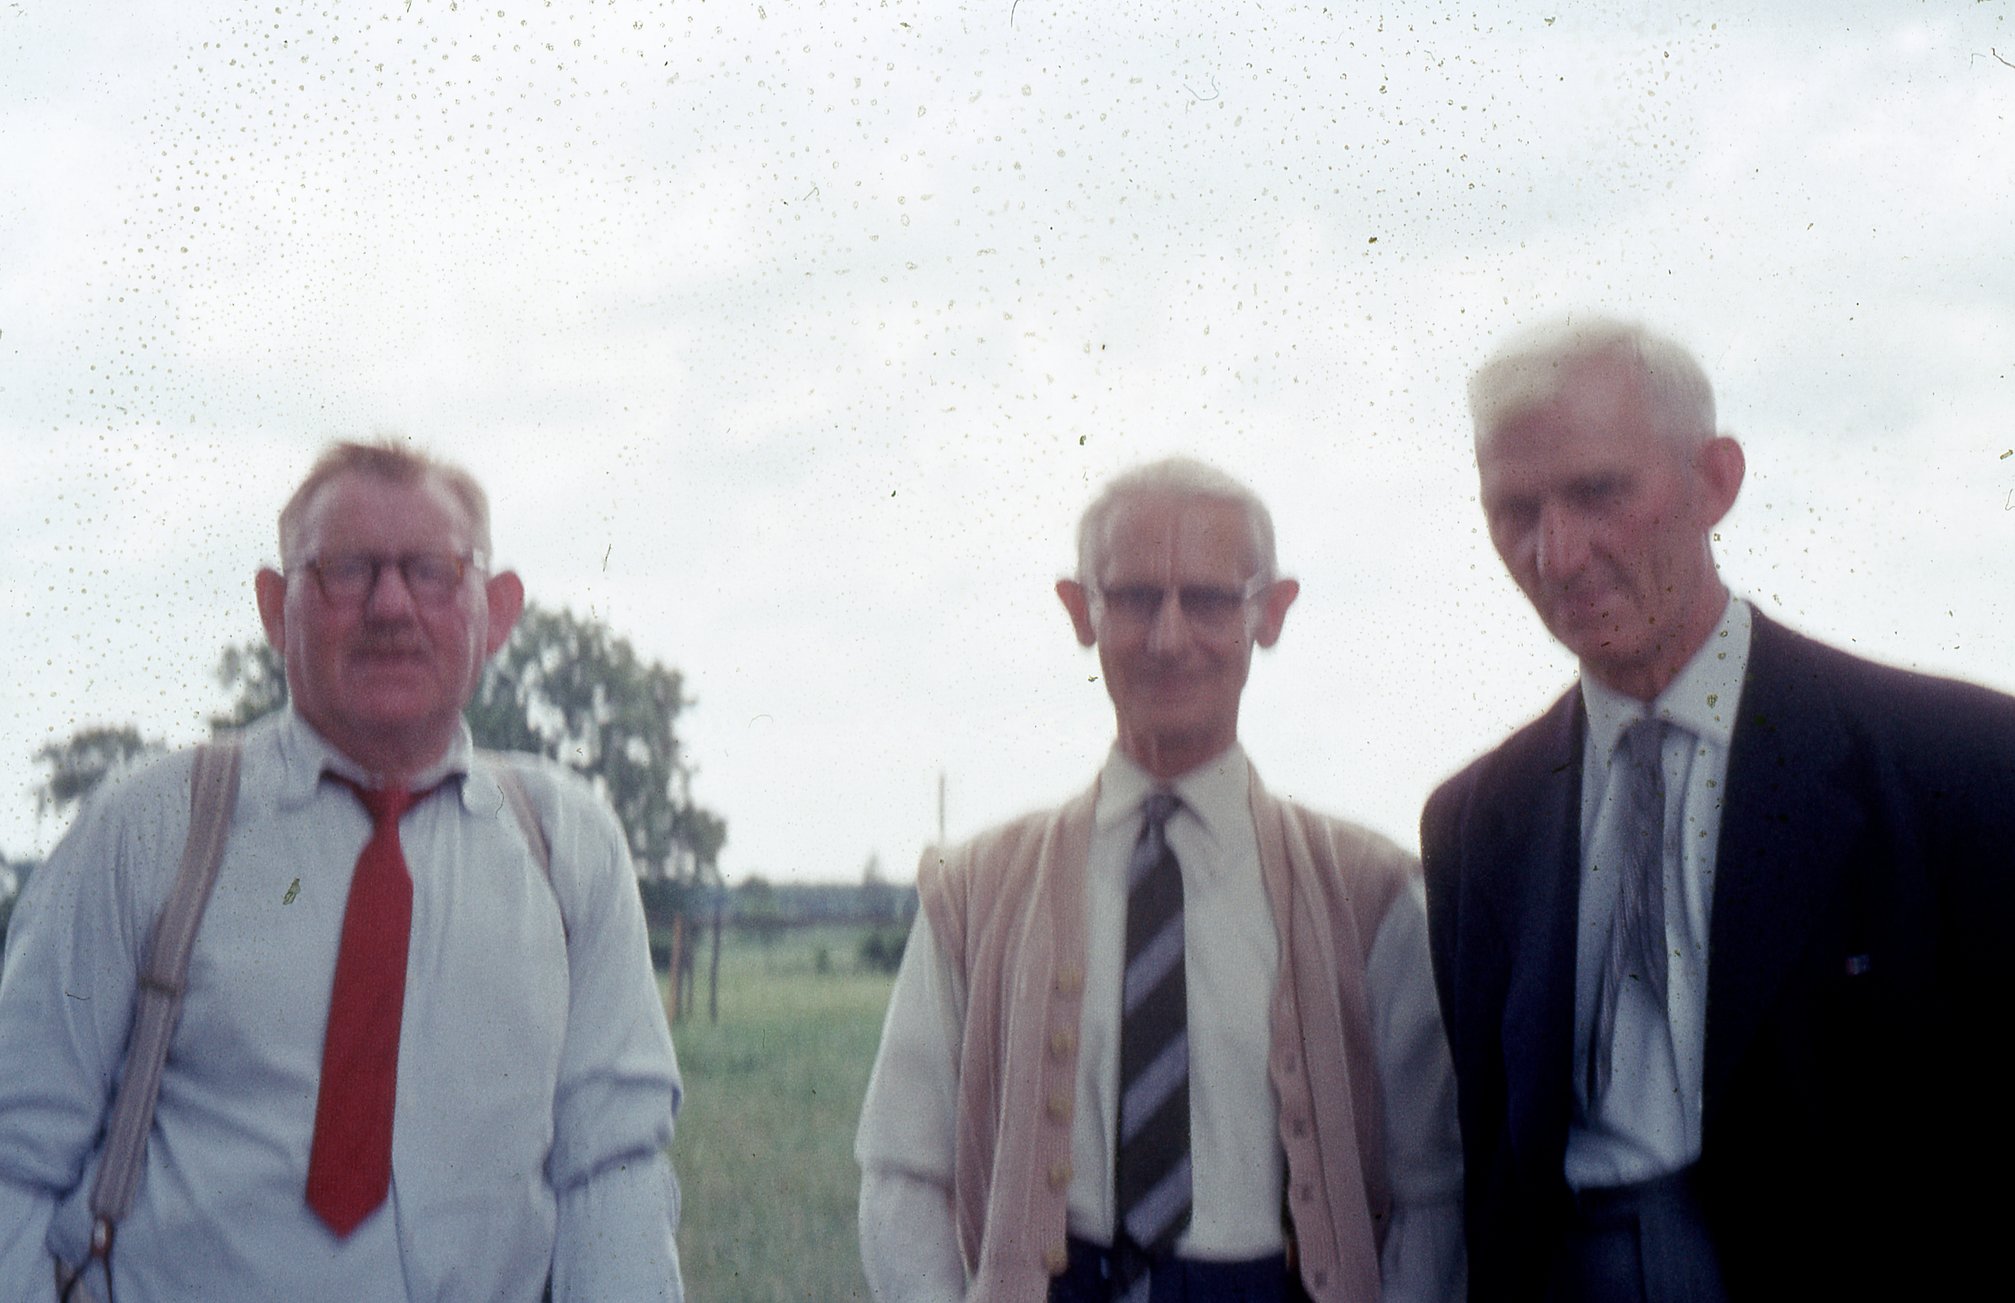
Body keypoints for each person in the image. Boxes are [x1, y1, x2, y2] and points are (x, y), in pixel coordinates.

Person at [0, 440, 686, 1300]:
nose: (391, 605)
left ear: (498, 610)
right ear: (275, 606)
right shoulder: (150, 828)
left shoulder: (567, 843)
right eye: (345, 570)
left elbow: (612, 1167)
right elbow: (15, 1154)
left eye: (433, 570)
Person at [1421, 317, 2015, 1302]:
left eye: (1597, 492)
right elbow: (1489, 1164)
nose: (1556, 552)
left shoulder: (1957, 765)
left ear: (1714, 482)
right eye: (1513, 509)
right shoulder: (1473, 820)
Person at [856, 458, 1463, 1303]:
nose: (1169, 637)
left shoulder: (1369, 893)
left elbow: (1431, 1194)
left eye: (1210, 599)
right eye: (1135, 596)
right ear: (1080, 611)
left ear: (1270, 612)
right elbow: (901, 1172)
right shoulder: (974, 893)